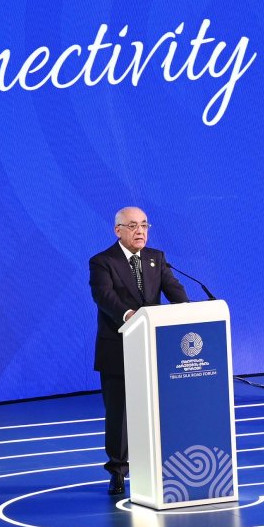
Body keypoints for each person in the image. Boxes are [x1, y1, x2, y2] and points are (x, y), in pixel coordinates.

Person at [89, 206, 189, 494]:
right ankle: (118, 471)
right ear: (118, 230)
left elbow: (174, 290)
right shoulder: (102, 261)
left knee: (159, 410)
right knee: (119, 415)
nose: (140, 231)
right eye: (132, 226)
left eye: (144, 225)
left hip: (154, 349)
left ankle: (160, 466)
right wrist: (129, 315)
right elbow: (104, 296)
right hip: (117, 349)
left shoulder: (156, 258)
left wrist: (189, 311)